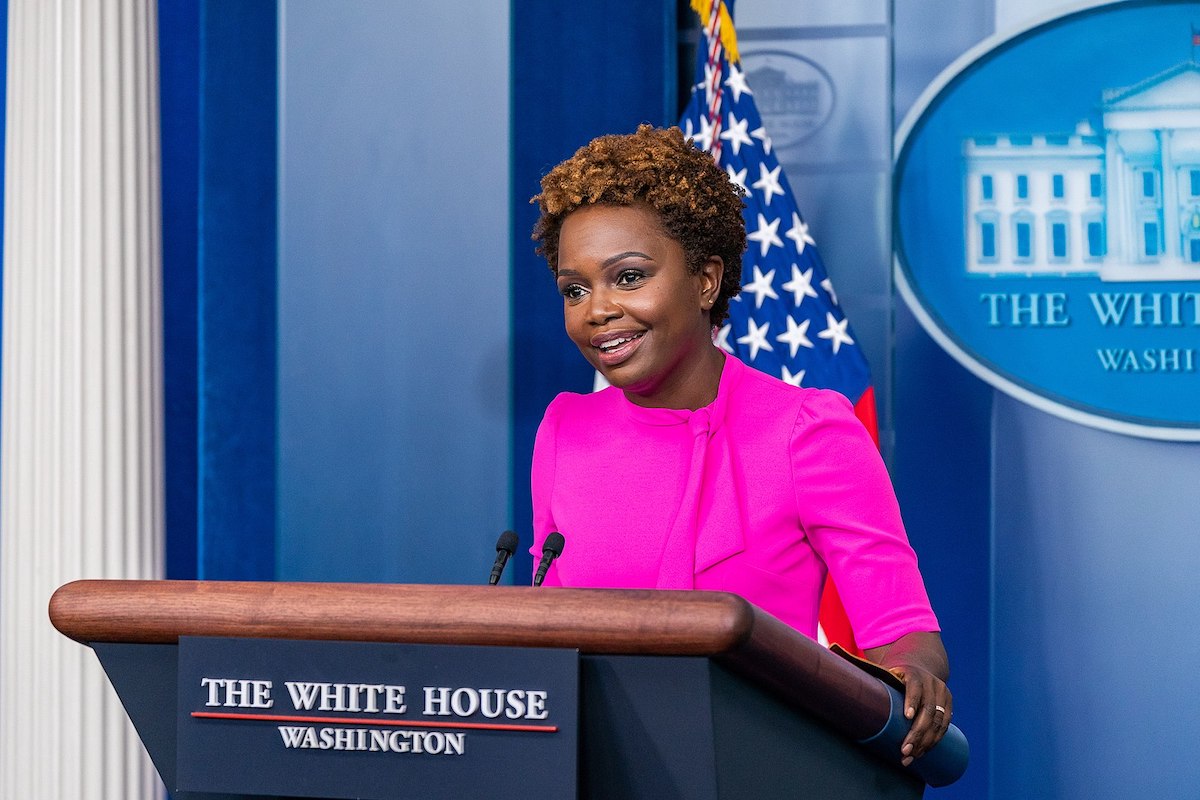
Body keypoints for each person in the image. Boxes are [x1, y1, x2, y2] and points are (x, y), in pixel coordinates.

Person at [528, 124, 951, 765]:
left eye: (629, 277)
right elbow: (545, 629)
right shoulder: (566, 430)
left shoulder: (807, 429)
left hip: (752, 764)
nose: (597, 310)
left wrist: (912, 677)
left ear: (705, 281)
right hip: (593, 766)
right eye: (575, 289)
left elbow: (903, 634)